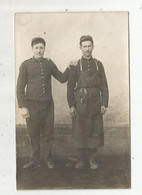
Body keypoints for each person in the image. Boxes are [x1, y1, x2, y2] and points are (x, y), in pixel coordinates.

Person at [17, 37, 70, 169]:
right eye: (36, 48)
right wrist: (23, 107)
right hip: (31, 105)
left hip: (47, 105)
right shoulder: (25, 65)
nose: (39, 50)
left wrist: (70, 67)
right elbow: (19, 88)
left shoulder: (49, 63)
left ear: (44, 49)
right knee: (33, 133)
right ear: (32, 49)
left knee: (48, 132)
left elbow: (62, 78)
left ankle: (47, 159)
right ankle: (34, 159)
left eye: (41, 48)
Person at [67, 35, 109, 169]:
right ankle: (81, 159)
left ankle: (92, 159)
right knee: (80, 130)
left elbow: (104, 86)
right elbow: (70, 86)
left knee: (94, 130)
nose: (87, 49)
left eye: (89, 46)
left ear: (93, 47)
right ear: (80, 48)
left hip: (96, 103)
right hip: (81, 103)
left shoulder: (99, 64)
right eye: (84, 46)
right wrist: (72, 105)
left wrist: (104, 103)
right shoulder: (76, 65)